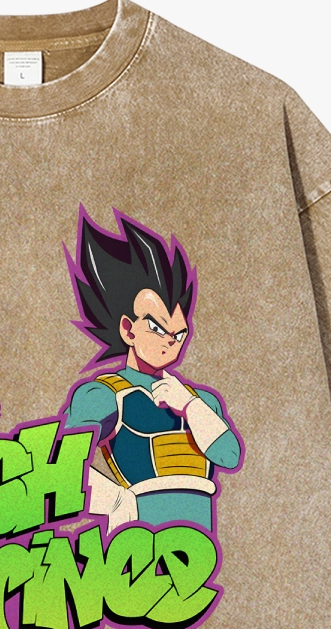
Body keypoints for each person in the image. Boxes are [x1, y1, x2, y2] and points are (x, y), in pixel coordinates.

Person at [63, 207, 242, 533]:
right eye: (158, 329)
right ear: (127, 329)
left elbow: (229, 456)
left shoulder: (201, 400)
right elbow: (60, 463)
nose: (170, 342)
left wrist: (189, 406)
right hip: (137, 539)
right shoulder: (105, 394)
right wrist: (116, 501)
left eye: (179, 334)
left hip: (200, 536)